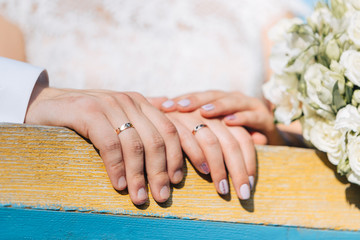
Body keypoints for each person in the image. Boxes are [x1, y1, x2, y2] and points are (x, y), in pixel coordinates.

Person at [0, 0, 310, 204]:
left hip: (236, 212)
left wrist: (271, 134)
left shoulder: (264, 9)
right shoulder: (19, 7)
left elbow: (308, 137)